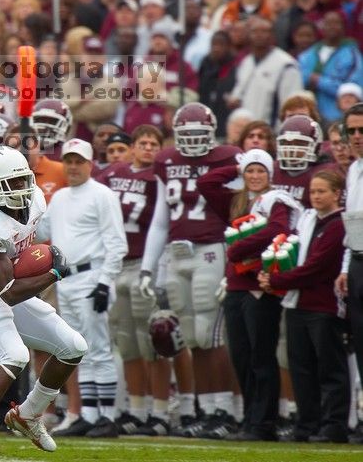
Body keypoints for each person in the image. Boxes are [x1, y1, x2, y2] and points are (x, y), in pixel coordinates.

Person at [0, 145, 87, 458]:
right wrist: (52, 274)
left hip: (7, 288)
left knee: (73, 347)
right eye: (11, 184)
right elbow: (8, 290)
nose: (22, 189)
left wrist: (41, 264)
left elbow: (22, 255)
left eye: (24, 180)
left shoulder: (35, 198)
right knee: (14, 355)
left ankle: (28, 414)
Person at [139, 102, 241, 438]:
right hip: (176, 253)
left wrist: (234, 262)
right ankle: (206, 409)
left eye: (200, 135)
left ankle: (224, 409)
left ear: (212, 133)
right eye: (187, 135)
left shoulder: (229, 157)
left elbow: (240, 209)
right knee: (191, 338)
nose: (194, 142)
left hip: (211, 250)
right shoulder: (167, 160)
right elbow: (160, 218)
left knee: (210, 333)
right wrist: (147, 269)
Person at [197, 149, 302, 441]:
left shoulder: (276, 200)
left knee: (261, 355)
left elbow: (277, 229)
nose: (255, 177)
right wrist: (238, 164)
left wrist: (239, 249)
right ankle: (249, 418)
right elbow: (206, 184)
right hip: (235, 286)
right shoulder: (236, 200)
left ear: (271, 175)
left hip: (260, 285)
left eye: (261, 171)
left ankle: (264, 422)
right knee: (241, 355)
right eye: (250, 171)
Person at [37, 138, 127, 437]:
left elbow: (116, 243)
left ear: (90, 164)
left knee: (99, 347)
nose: (73, 167)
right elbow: (42, 231)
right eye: (69, 161)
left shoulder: (102, 195)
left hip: (92, 276)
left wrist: (105, 282)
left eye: (79, 161)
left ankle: (108, 415)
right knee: (81, 349)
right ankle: (88, 413)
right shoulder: (60, 197)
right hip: (66, 279)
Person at [259, 170, 349, 443]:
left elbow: (316, 267)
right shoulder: (309, 219)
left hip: (322, 305)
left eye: (322, 191)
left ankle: (334, 425)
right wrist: (271, 270)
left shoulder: (338, 224)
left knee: (329, 368)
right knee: (300, 366)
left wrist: (276, 279)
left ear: (337, 193)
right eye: (313, 192)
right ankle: (307, 424)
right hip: (297, 303)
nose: (317, 196)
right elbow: (292, 251)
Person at [96, 125, 175, 436]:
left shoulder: (159, 178)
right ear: (131, 147)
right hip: (116, 264)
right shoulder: (113, 173)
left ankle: (160, 411)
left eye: (154, 143)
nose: (148, 148)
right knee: (127, 342)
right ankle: (136, 408)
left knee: (152, 341)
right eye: (142, 142)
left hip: (146, 263)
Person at [335, 103, 363, 424]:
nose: (356, 136)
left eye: (361, 130)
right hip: (356, 263)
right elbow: (351, 225)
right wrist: (345, 267)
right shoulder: (354, 170)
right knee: (360, 341)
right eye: (351, 130)